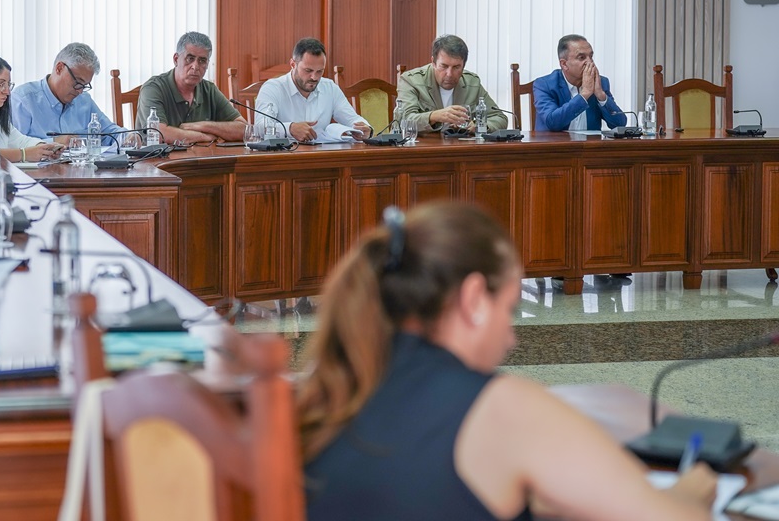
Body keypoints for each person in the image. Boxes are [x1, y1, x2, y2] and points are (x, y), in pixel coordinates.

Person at [298, 201, 716, 521]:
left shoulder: (330, 386)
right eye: (509, 309)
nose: (511, 339)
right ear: (474, 299)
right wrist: (692, 489)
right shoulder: (501, 409)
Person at [254, 37, 372, 143]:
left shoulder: (329, 88)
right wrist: (290, 129)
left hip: (322, 157)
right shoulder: (272, 88)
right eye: (308, 71)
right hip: (283, 158)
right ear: (292, 64)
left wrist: (366, 129)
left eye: (319, 71)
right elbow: (260, 127)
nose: (314, 77)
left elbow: (352, 119)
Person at [134, 32, 245, 144]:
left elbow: (244, 129)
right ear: (176, 59)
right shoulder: (153, 88)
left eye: (202, 61)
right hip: (159, 160)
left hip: (201, 158)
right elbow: (159, 134)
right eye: (190, 58)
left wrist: (202, 126)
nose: (195, 66)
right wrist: (206, 137)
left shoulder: (209, 89)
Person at [11, 42, 126, 143]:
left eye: (84, 85)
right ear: (59, 68)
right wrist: (54, 142)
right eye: (78, 82)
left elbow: (109, 133)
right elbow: (12, 146)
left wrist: (128, 136)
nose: (80, 91)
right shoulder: (23, 100)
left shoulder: (84, 101)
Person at [397, 34, 507, 133]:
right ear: (433, 63)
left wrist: (480, 126)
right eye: (444, 66)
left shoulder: (472, 83)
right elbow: (404, 120)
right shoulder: (411, 80)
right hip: (421, 149)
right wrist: (434, 116)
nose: (449, 74)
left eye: (456, 67)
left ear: (463, 66)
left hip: (459, 149)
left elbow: (499, 118)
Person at [534, 34, 628, 132]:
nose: (590, 62)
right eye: (582, 57)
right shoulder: (544, 85)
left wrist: (601, 95)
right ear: (564, 64)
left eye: (591, 56)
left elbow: (620, 124)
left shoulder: (600, 83)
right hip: (555, 146)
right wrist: (585, 94)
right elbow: (552, 122)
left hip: (589, 146)